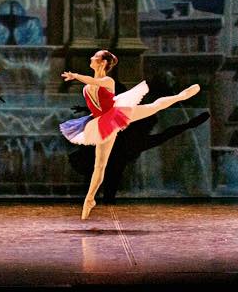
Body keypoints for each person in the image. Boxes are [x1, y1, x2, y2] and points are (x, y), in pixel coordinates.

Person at [60, 50, 200, 220]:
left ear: (103, 63)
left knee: (153, 107)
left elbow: (93, 81)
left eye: (95, 56)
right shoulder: (89, 85)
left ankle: (180, 96)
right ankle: (89, 199)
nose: (90, 58)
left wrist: (75, 75)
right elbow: (93, 95)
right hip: (101, 121)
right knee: (100, 165)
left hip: (115, 114)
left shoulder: (107, 80)